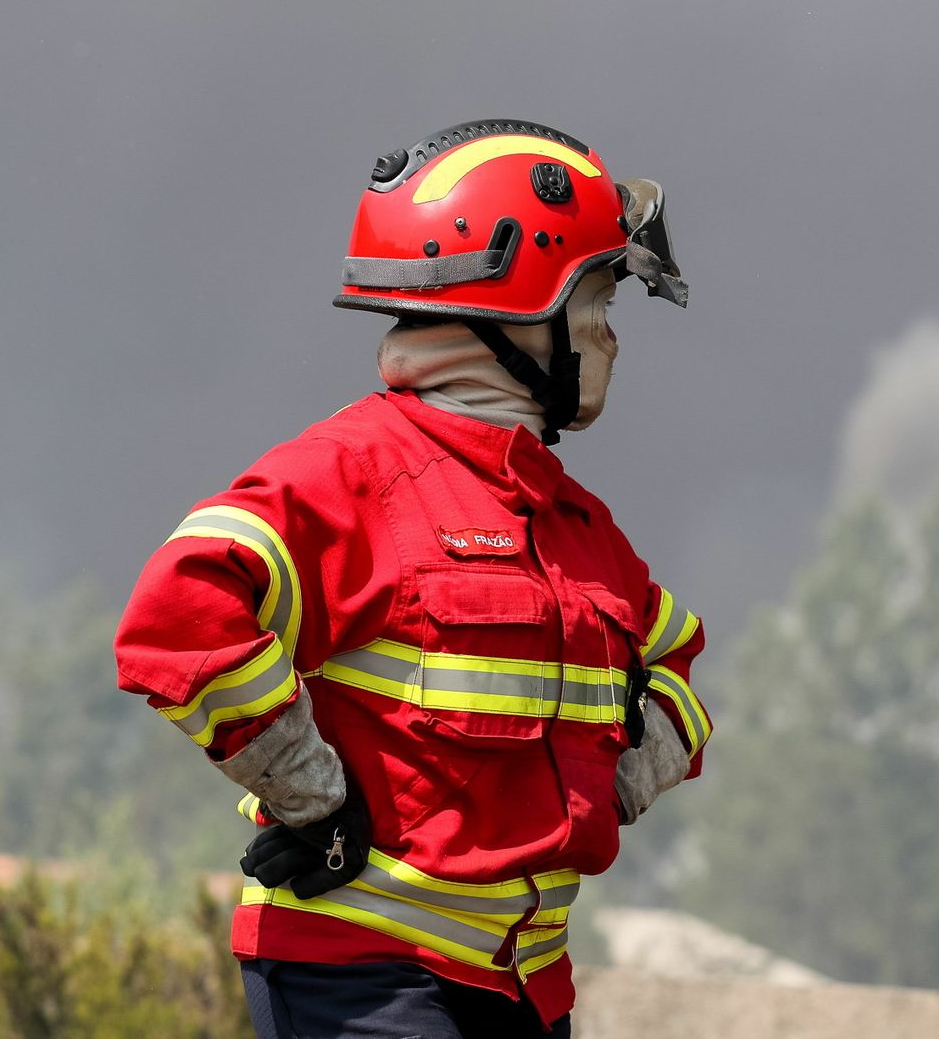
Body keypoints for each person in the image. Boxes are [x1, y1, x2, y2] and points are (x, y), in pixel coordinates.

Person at [114, 118, 711, 1038]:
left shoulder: (574, 526)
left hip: (524, 989)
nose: (610, 340)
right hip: (364, 980)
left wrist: (618, 772)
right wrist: (311, 794)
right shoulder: (356, 475)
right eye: (597, 304)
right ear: (517, 310)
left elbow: (674, 663)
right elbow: (183, 609)